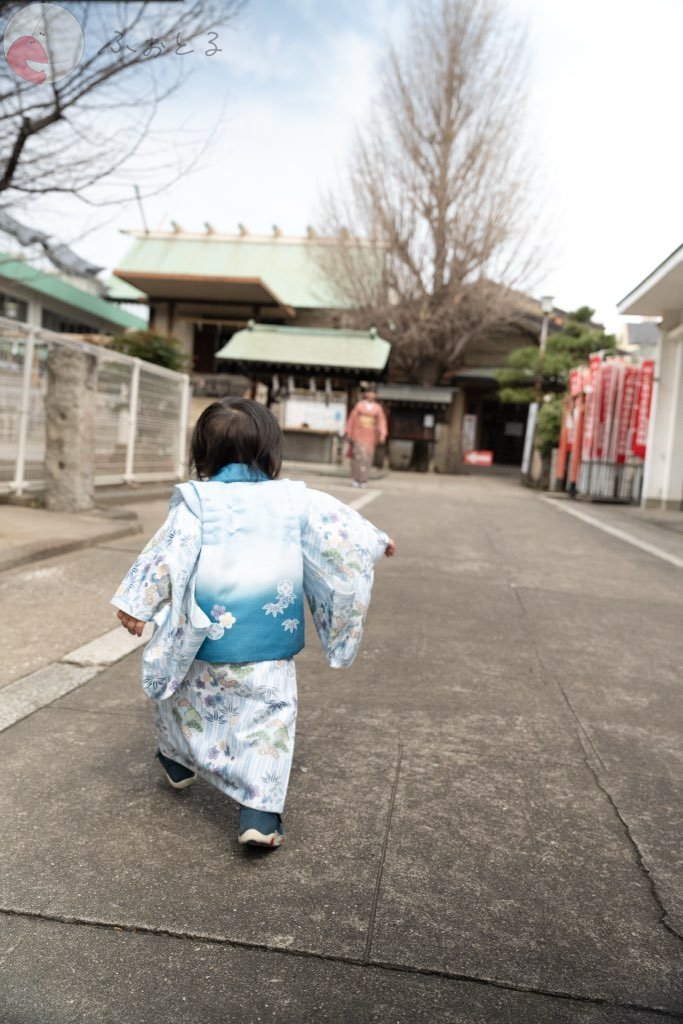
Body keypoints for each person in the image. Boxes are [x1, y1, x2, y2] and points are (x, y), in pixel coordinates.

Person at [112, 398, 395, 850]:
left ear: (201, 454)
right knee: (268, 724)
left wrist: (137, 604)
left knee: (182, 705)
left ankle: (178, 762)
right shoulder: (295, 499)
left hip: (202, 642)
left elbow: (168, 553)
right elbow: (343, 532)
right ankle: (260, 816)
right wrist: (376, 542)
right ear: (270, 452)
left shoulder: (196, 502)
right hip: (268, 644)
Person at [344, 387, 388, 487]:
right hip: (358, 432)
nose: (371, 395)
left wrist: (382, 434)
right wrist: (349, 432)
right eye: (369, 393)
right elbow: (352, 419)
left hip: (370, 435)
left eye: (373, 393)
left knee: (367, 457)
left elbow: (382, 422)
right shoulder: (359, 405)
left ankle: (364, 479)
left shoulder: (378, 408)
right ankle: (356, 478)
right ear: (366, 394)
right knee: (357, 456)